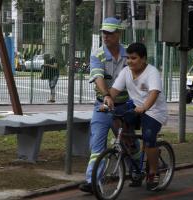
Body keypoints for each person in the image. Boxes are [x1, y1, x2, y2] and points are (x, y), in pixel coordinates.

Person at [106, 42, 168, 191]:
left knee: (148, 138)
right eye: (128, 58)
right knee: (118, 122)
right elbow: (114, 90)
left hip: (154, 111)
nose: (129, 61)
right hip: (136, 108)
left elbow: (154, 93)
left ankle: (153, 170)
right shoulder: (126, 71)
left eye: (133, 58)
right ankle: (136, 161)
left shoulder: (152, 72)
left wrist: (145, 107)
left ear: (143, 59)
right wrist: (107, 99)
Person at [79, 17, 129, 193]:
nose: (105, 36)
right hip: (103, 106)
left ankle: (138, 169)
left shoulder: (128, 54)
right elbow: (98, 77)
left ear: (118, 34)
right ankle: (92, 180)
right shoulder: (97, 54)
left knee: (129, 142)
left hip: (124, 105)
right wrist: (107, 95)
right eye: (103, 33)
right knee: (97, 145)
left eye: (109, 33)